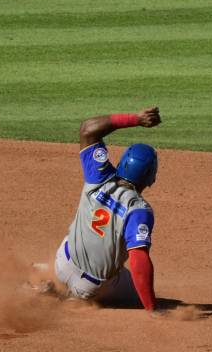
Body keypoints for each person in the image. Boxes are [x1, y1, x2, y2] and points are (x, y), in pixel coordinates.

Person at [53, 107, 162, 311]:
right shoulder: (138, 210)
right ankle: (75, 296)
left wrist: (136, 118)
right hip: (89, 288)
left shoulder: (99, 176)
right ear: (151, 178)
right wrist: (152, 308)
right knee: (134, 287)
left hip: (62, 263)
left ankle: (51, 282)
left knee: (76, 235)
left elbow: (87, 129)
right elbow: (138, 258)